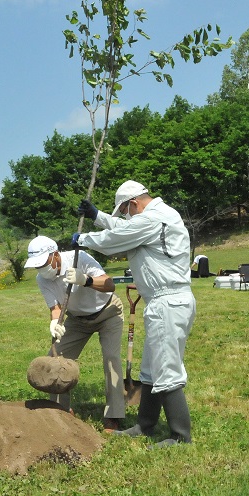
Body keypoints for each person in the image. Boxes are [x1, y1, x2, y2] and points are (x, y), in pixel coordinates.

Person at [76, 180, 195, 447]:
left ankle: (180, 435)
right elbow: (126, 228)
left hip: (168, 300)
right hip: (163, 301)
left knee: (166, 367)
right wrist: (99, 217)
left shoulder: (154, 219)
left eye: (126, 211)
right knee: (152, 368)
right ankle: (145, 424)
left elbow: (119, 237)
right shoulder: (154, 217)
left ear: (133, 203)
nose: (127, 216)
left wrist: (83, 239)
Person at [24, 235, 126, 431]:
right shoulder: (42, 278)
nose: (41, 269)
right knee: (54, 358)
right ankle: (60, 409)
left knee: (111, 359)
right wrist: (55, 321)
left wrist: (84, 279)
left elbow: (109, 284)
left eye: (43, 263)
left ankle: (114, 415)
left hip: (108, 311)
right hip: (78, 319)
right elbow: (55, 306)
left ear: (55, 255)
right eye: (37, 266)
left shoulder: (80, 258)